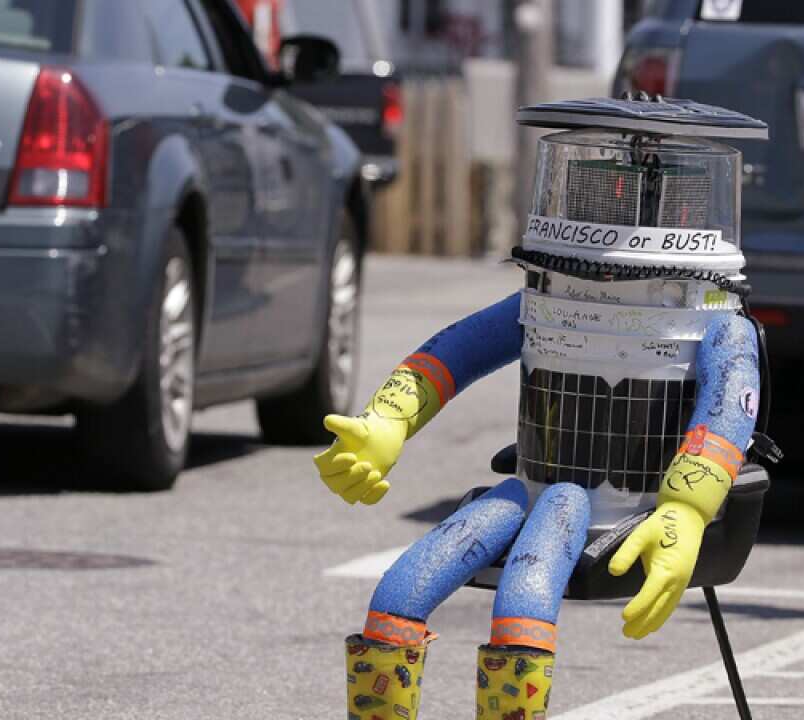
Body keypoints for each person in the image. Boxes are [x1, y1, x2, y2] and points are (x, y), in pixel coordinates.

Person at [316, 100, 765, 720]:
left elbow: (725, 414)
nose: (621, 208)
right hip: (536, 488)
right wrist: (384, 424)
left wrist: (685, 511)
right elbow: (449, 356)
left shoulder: (717, 323)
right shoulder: (541, 301)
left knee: (529, 570)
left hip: (613, 509)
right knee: (400, 593)